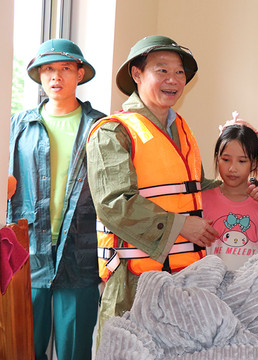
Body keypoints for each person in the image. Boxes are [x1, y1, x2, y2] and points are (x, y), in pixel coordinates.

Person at [86, 35, 219, 344]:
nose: (173, 80)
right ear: (137, 74)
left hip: (186, 280)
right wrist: (182, 224)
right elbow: (115, 204)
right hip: (133, 283)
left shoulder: (182, 129)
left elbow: (195, 190)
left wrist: (248, 188)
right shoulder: (112, 131)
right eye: (162, 70)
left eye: (180, 72)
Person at [7, 38, 104, 360]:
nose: (56, 76)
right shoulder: (18, 126)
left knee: (75, 350)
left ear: (79, 73)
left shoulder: (101, 127)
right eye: (48, 69)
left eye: (64, 68)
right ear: (38, 76)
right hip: (28, 251)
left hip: (82, 253)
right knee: (23, 347)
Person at [203, 122, 258, 270]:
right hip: (212, 288)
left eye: (242, 161)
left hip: (253, 288)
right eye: (225, 159)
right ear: (217, 158)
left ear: (254, 163)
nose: (232, 168)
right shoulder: (202, 200)